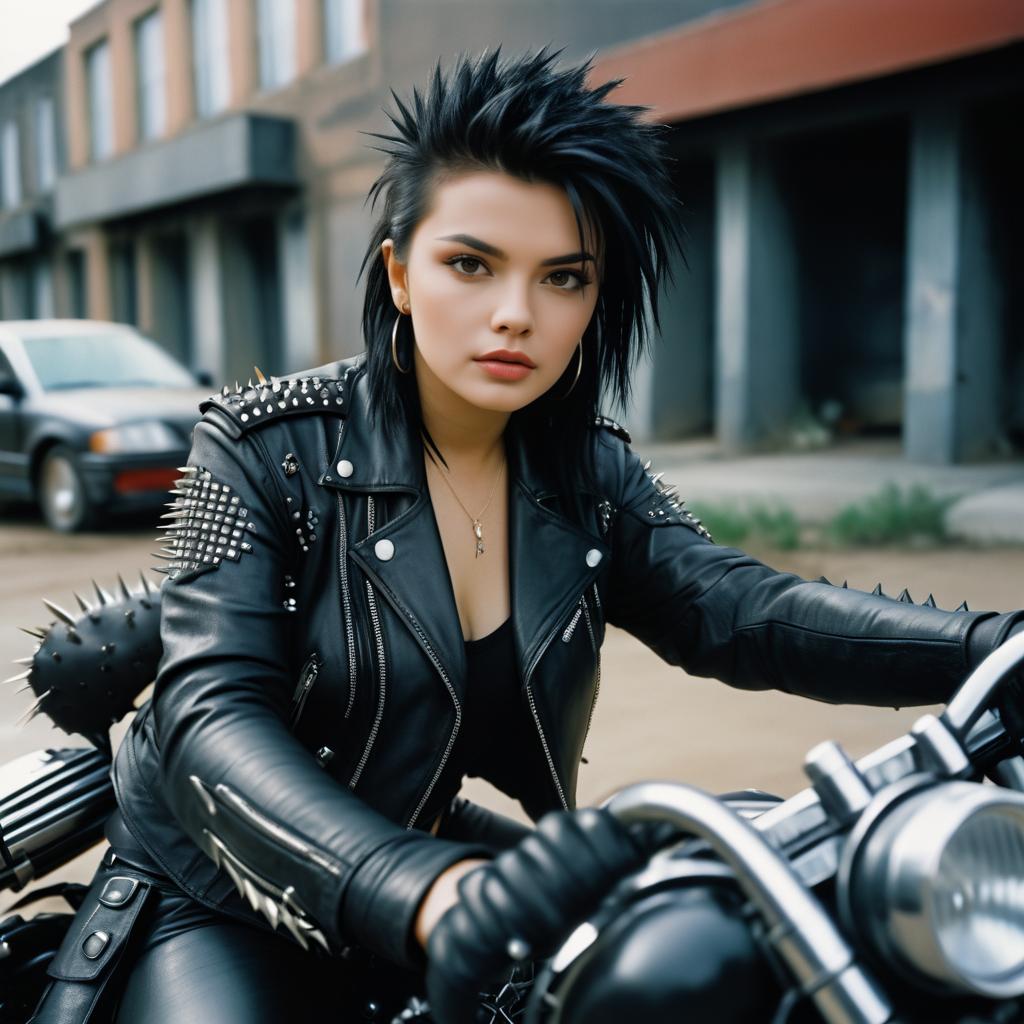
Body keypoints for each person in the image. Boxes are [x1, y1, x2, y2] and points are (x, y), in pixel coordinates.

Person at [30, 48, 1023, 1023]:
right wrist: (423, 889)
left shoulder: (588, 471)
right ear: (401, 272)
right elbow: (212, 720)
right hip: (217, 885)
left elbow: (734, 606)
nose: (516, 315)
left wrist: (991, 649)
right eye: (471, 264)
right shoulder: (261, 442)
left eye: (562, 277)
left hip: (433, 855)